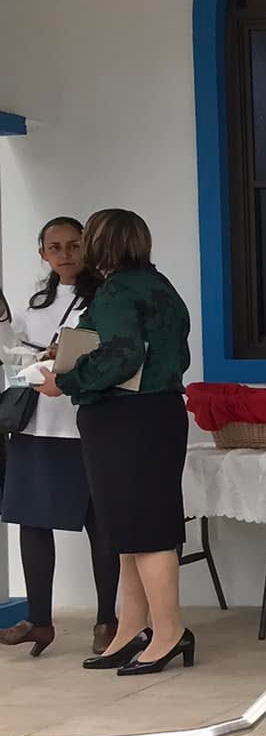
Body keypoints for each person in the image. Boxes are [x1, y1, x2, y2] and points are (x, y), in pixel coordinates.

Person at [32, 209, 194, 676]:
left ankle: (167, 634)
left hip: (127, 418)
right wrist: (72, 354)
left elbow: (122, 356)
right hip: (158, 413)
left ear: (103, 243)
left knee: (145, 531)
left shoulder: (119, 288)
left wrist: (65, 379)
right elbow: (147, 347)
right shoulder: (158, 284)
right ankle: (131, 629)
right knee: (128, 529)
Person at [1, 217, 120, 657]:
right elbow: (12, 363)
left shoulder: (105, 298)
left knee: (100, 525)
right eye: (55, 247)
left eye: (74, 245)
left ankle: (107, 619)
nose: (65, 253)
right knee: (31, 522)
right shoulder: (31, 304)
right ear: (43, 254)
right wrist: (33, 366)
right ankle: (39, 620)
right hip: (36, 424)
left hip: (86, 425)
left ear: (88, 248)